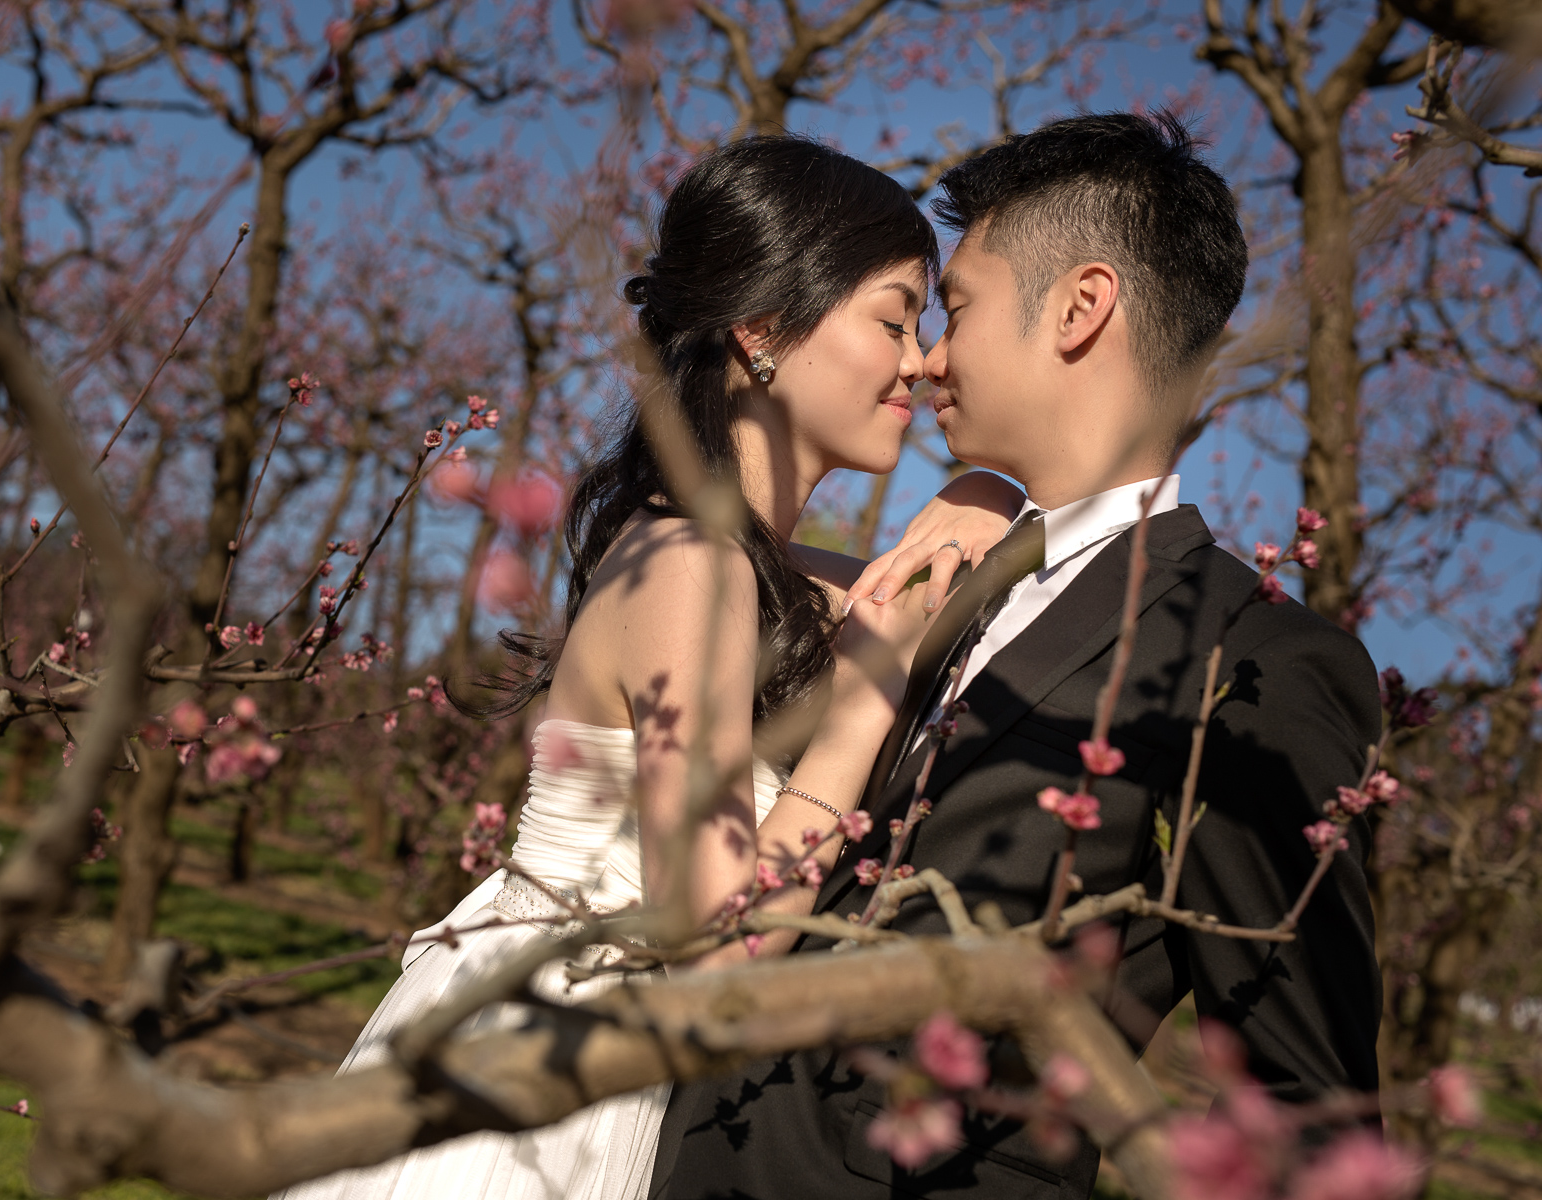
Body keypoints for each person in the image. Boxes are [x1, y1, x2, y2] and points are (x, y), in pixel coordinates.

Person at [650, 111, 1384, 1199]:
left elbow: (1309, 1115)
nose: (930, 361)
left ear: (1082, 308)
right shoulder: (933, 581)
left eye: (956, 308)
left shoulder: (1253, 660)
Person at [277, 135, 1022, 1200]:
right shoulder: (689, 566)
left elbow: (987, 524)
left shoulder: (752, 571)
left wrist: (974, 495)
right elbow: (717, 950)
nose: (920, 361)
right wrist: (862, 703)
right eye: (894, 319)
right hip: (539, 1076)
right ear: (763, 330)